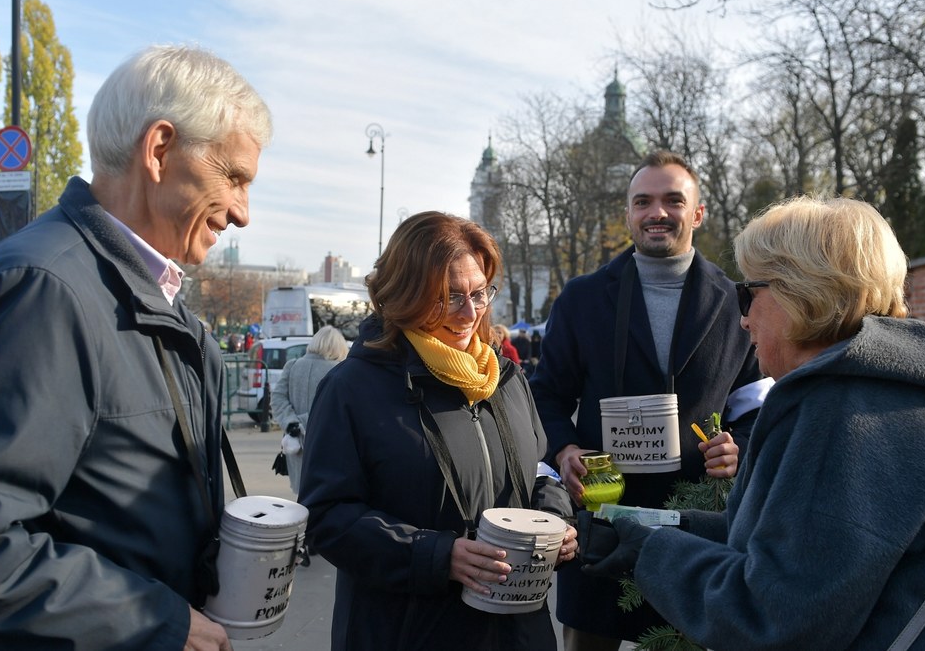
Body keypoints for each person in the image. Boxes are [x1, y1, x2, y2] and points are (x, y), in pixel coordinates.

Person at [0, 44, 272, 651]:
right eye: (234, 176)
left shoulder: (129, 290)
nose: (243, 212)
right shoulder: (46, 289)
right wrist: (154, 621)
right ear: (160, 150)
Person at [579, 196, 925, 649]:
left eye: (749, 294)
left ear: (800, 291)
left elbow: (772, 616)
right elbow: (765, 537)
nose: (742, 319)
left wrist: (646, 551)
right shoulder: (882, 393)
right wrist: (637, 525)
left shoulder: (844, 414)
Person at [298, 211, 578, 651]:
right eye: (449, 298)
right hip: (406, 631)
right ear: (405, 294)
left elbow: (540, 468)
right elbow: (327, 517)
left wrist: (554, 519)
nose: (469, 313)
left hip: (518, 631)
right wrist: (438, 555)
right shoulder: (352, 388)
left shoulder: (506, 379)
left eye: (480, 294)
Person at [528, 150, 770, 649]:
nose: (656, 212)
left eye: (672, 200)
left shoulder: (735, 302)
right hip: (600, 518)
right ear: (628, 214)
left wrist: (739, 446)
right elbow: (547, 396)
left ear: (698, 213)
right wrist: (563, 449)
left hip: (695, 526)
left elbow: (756, 404)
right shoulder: (582, 298)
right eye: (643, 202)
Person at [270, 324, 348, 497]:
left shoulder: (293, 365)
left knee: (301, 492)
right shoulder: (338, 371)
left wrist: (292, 422)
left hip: (295, 441)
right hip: (326, 443)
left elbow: (277, 398)